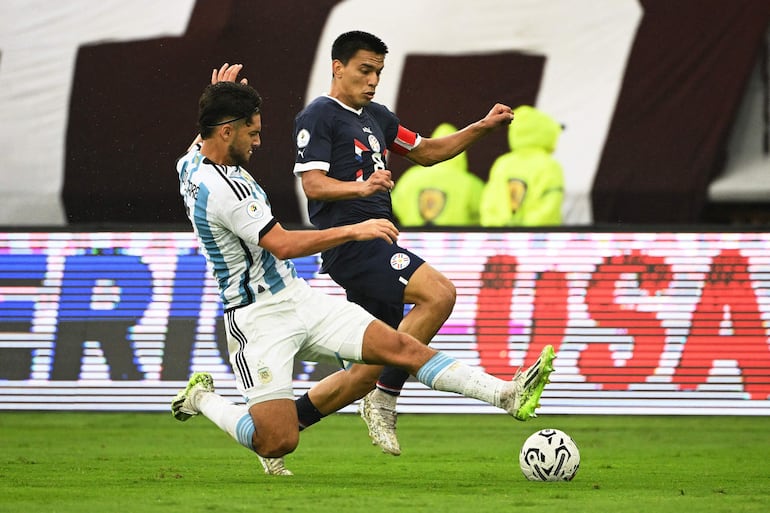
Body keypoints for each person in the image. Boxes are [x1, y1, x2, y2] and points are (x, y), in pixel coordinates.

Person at [172, 64, 556, 477]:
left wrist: (220, 96)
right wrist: (354, 229)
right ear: (227, 131)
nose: (259, 141)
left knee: (398, 348)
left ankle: (506, 395)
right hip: (255, 318)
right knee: (277, 440)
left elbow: (207, 135)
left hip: (297, 297)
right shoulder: (229, 191)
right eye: (252, 132)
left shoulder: (190, 164)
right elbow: (282, 243)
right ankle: (202, 399)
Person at [291, 30, 516, 456]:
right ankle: (386, 397)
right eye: (364, 70)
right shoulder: (319, 115)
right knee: (439, 294)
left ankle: (274, 433)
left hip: (377, 239)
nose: (373, 80)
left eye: (378, 71)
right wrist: (361, 191)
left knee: (363, 371)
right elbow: (314, 185)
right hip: (353, 243)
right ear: (337, 67)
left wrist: (483, 127)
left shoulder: (376, 116)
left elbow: (427, 151)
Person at [480, 105, 564, 226]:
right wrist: (524, 235)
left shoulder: (502, 164)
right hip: (536, 240)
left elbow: (489, 205)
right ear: (547, 133)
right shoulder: (549, 166)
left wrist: (500, 234)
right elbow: (549, 208)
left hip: (500, 240)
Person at [391, 122, 485, 226]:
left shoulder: (410, 177)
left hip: (414, 238)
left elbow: (395, 206)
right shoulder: (470, 183)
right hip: (454, 240)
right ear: (461, 150)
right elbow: (483, 213)